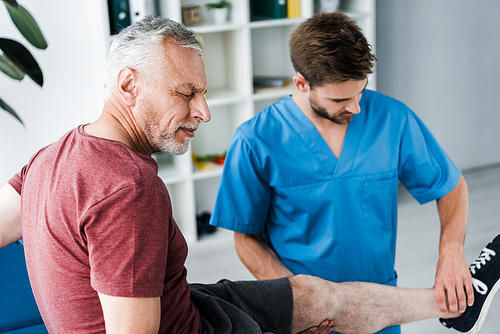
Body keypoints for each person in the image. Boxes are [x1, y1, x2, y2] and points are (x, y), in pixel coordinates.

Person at [0, 14, 498, 334]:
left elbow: (4, 222)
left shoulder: (52, 154)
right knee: (321, 301)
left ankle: (458, 305)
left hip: (192, 306)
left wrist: (450, 250)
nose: (204, 111)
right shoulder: (129, 187)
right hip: (193, 326)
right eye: (185, 92)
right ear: (128, 83)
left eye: (203, 93)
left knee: (316, 294)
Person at [209, 12, 471, 334]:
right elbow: (246, 238)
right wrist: (298, 301)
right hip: (306, 317)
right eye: (341, 99)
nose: (357, 107)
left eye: (360, 91)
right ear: (302, 83)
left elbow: (450, 186)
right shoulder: (255, 139)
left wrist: (451, 252)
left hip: (380, 302)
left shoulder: (392, 118)